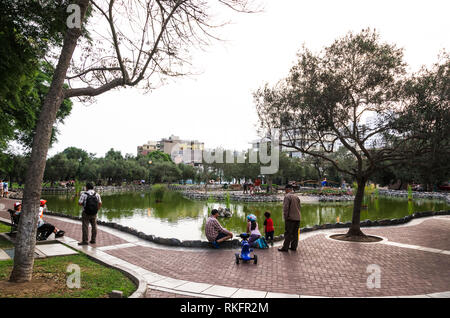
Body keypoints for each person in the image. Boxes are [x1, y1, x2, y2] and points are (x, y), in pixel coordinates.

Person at [278, 184, 301, 252]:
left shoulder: (287, 196)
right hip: (298, 217)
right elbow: (299, 207)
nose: (285, 191)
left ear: (288, 189)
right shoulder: (296, 196)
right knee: (295, 233)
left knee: (288, 233)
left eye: (285, 189)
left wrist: (285, 217)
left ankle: (285, 247)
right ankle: (294, 246)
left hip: (290, 218)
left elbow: (286, 208)